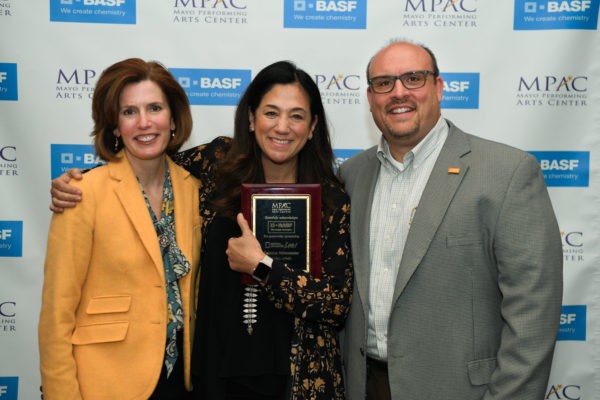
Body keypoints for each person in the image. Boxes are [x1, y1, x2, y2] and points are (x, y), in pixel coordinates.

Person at [49, 60, 353, 400]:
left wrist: (263, 267)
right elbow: (146, 164)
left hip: (297, 378)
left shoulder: (331, 201)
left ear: (312, 126)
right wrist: (81, 180)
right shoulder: (216, 163)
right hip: (213, 376)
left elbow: (335, 304)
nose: (282, 127)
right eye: (271, 113)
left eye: (296, 116)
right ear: (251, 119)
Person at [337, 39, 564, 399]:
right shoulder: (350, 176)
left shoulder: (507, 173)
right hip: (365, 386)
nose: (398, 93)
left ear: (438, 88)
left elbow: (532, 316)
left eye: (413, 78)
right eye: (384, 83)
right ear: (369, 98)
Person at [39, 58, 201, 400]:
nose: (144, 123)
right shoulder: (83, 193)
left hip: (180, 380)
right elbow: (57, 317)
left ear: (173, 119)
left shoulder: (194, 190)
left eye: (155, 108)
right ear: (114, 126)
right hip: (106, 383)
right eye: (129, 112)